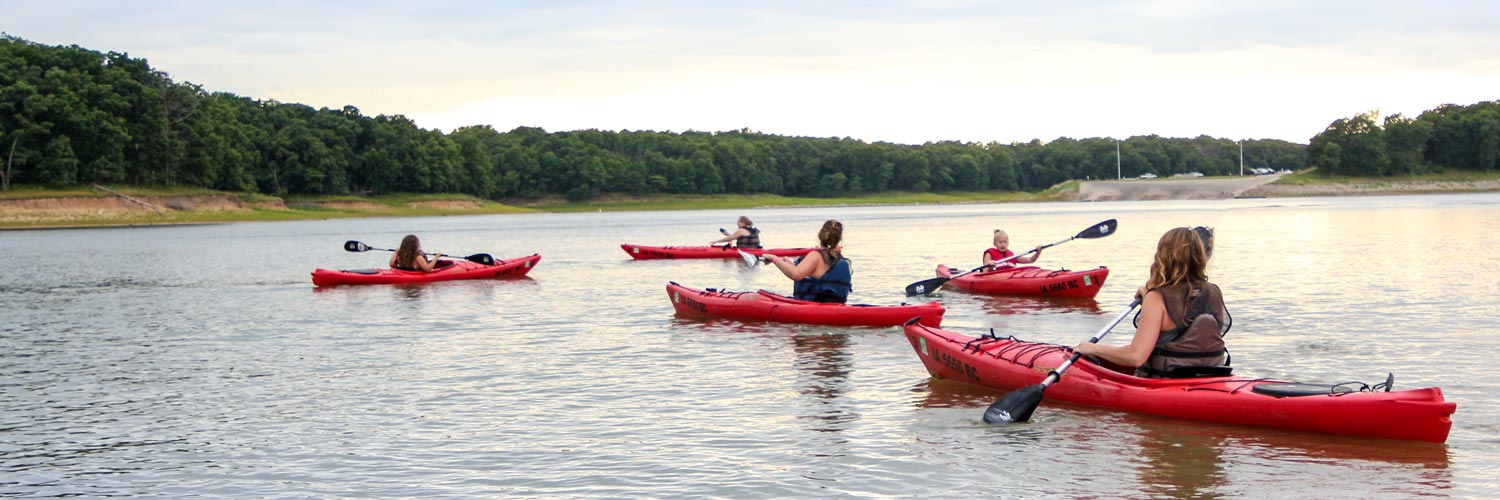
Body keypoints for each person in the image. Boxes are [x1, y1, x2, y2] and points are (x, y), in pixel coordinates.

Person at [1072, 226, 1229, 378]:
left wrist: (1093, 349)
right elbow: (1188, 315)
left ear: (1163, 257)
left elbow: (1136, 357)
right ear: (1199, 256)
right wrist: (1149, 297)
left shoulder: (1157, 298)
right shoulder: (1213, 292)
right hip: (1211, 376)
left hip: (1168, 382)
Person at [763, 220, 851, 303]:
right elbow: (811, 274)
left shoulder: (816, 256)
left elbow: (796, 274)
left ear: (820, 236)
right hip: (833, 307)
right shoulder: (840, 259)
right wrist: (787, 263)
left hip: (814, 308)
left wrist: (773, 258)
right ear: (839, 239)